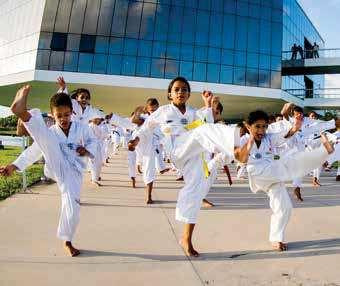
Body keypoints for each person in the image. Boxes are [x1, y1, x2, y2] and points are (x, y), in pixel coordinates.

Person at [0, 86, 97, 257]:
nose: (63, 119)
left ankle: (67, 240)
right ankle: (23, 113)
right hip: (55, 167)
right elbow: (33, 151)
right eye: (59, 116)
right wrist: (14, 166)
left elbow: (93, 142)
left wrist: (86, 150)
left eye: (66, 115)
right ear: (52, 115)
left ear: (72, 113)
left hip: (74, 171)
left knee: (72, 208)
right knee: (46, 140)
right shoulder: (52, 132)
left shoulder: (81, 128)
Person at [129, 77, 216, 257]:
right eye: (176, 89)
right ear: (170, 93)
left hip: (193, 155)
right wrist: (136, 140)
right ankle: (234, 145)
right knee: (203, 132)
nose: (180, 92)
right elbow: (146, 128)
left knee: (194, 191)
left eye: (184, 89)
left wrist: (207, 105)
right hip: (177, 152)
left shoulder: (193, 112)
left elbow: (207, 122)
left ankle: (186, 238)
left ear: (189, 94)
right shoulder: (163, 111)